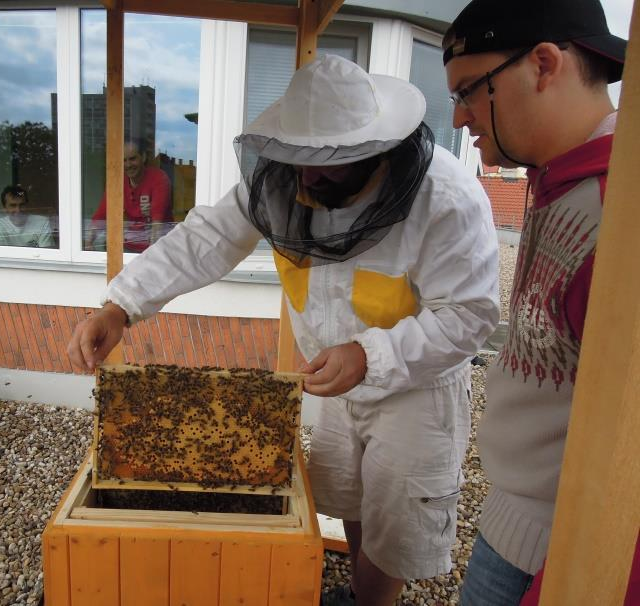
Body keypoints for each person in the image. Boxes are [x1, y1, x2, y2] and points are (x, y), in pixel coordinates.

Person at [68, 55, 500, 606]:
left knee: (396, 525)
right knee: (352, 499)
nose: (309, 178)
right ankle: (359, 594)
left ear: (375, 152)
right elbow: (205, 239)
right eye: (301, 161)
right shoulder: (281, 181)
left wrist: (370, 355)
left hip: (417, 388)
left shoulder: (447, 198)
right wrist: (119, 306)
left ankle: (371, 601)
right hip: (338, 381)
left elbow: (469, 315)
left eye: (329, 165)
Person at [442, 0, 627, 603]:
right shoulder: (558, 181)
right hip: (516, 526)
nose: (459, 116)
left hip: (559, 555)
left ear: (544, 64)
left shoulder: (617, 216)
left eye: (470, 90)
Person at [85, 141, 173, 253]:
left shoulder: (159, 179)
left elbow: (157, 223)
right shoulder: (117, 181)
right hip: (129, 248)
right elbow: (101, 215)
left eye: (132, 159)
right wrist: (88, 243)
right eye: (124, 160)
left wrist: (150, 257)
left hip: (157, 249)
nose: (128, 165)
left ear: (143, 157)